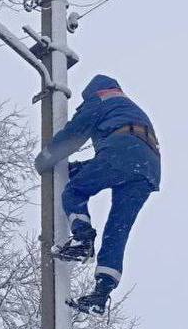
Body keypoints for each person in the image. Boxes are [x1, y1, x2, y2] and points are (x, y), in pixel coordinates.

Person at [33, 74, 160, 315]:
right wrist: (80, 168)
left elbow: (73, 134)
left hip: (123, 155)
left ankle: (82, 239)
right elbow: (118, 154)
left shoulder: (100, 100)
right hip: (147, 168)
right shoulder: (128, 107)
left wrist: (45, 159)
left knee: (75, 189)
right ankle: (101, 293)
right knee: (117, 229)